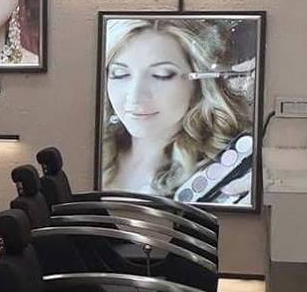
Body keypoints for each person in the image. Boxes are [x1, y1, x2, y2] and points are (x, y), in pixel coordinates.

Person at [100, 16, 257, 207]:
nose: (135, 96)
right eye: (120, 74)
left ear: (198, 84)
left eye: (161, 75)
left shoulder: (228, 168)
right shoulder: (94, 149)